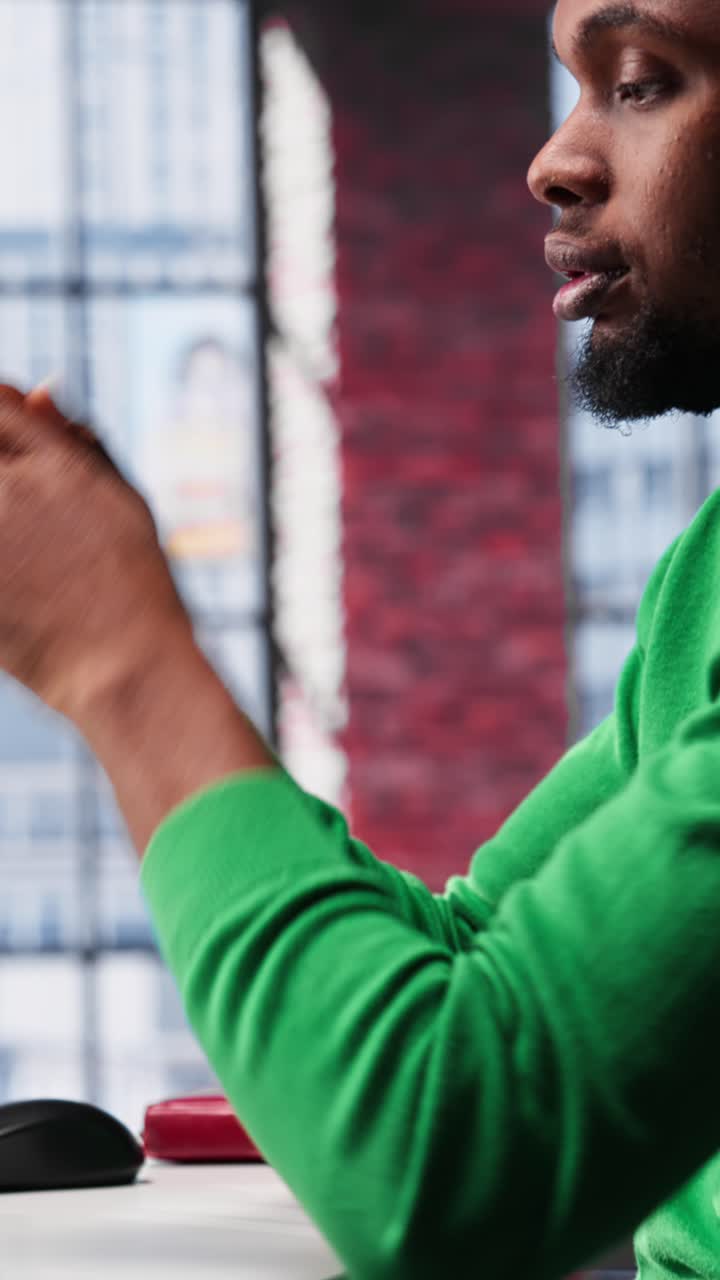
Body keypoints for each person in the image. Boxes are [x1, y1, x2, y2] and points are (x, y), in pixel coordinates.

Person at [1, 0, 720, 1275]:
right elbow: (481, 961)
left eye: (644, 81)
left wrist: (124, 665)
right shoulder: (705, 574)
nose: (555, 159)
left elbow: (452, 1157)